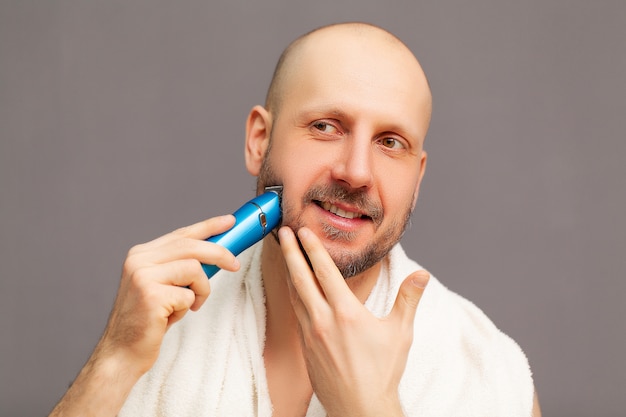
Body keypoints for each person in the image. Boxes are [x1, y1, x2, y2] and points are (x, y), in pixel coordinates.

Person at [49, 22, 541, 416]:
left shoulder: (487, 370)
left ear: (418, 175)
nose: (356, 172)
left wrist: (369, 411)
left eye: (391, 142)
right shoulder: (160, 330)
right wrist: (114, 361)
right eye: (326, 127)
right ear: (259, 140)